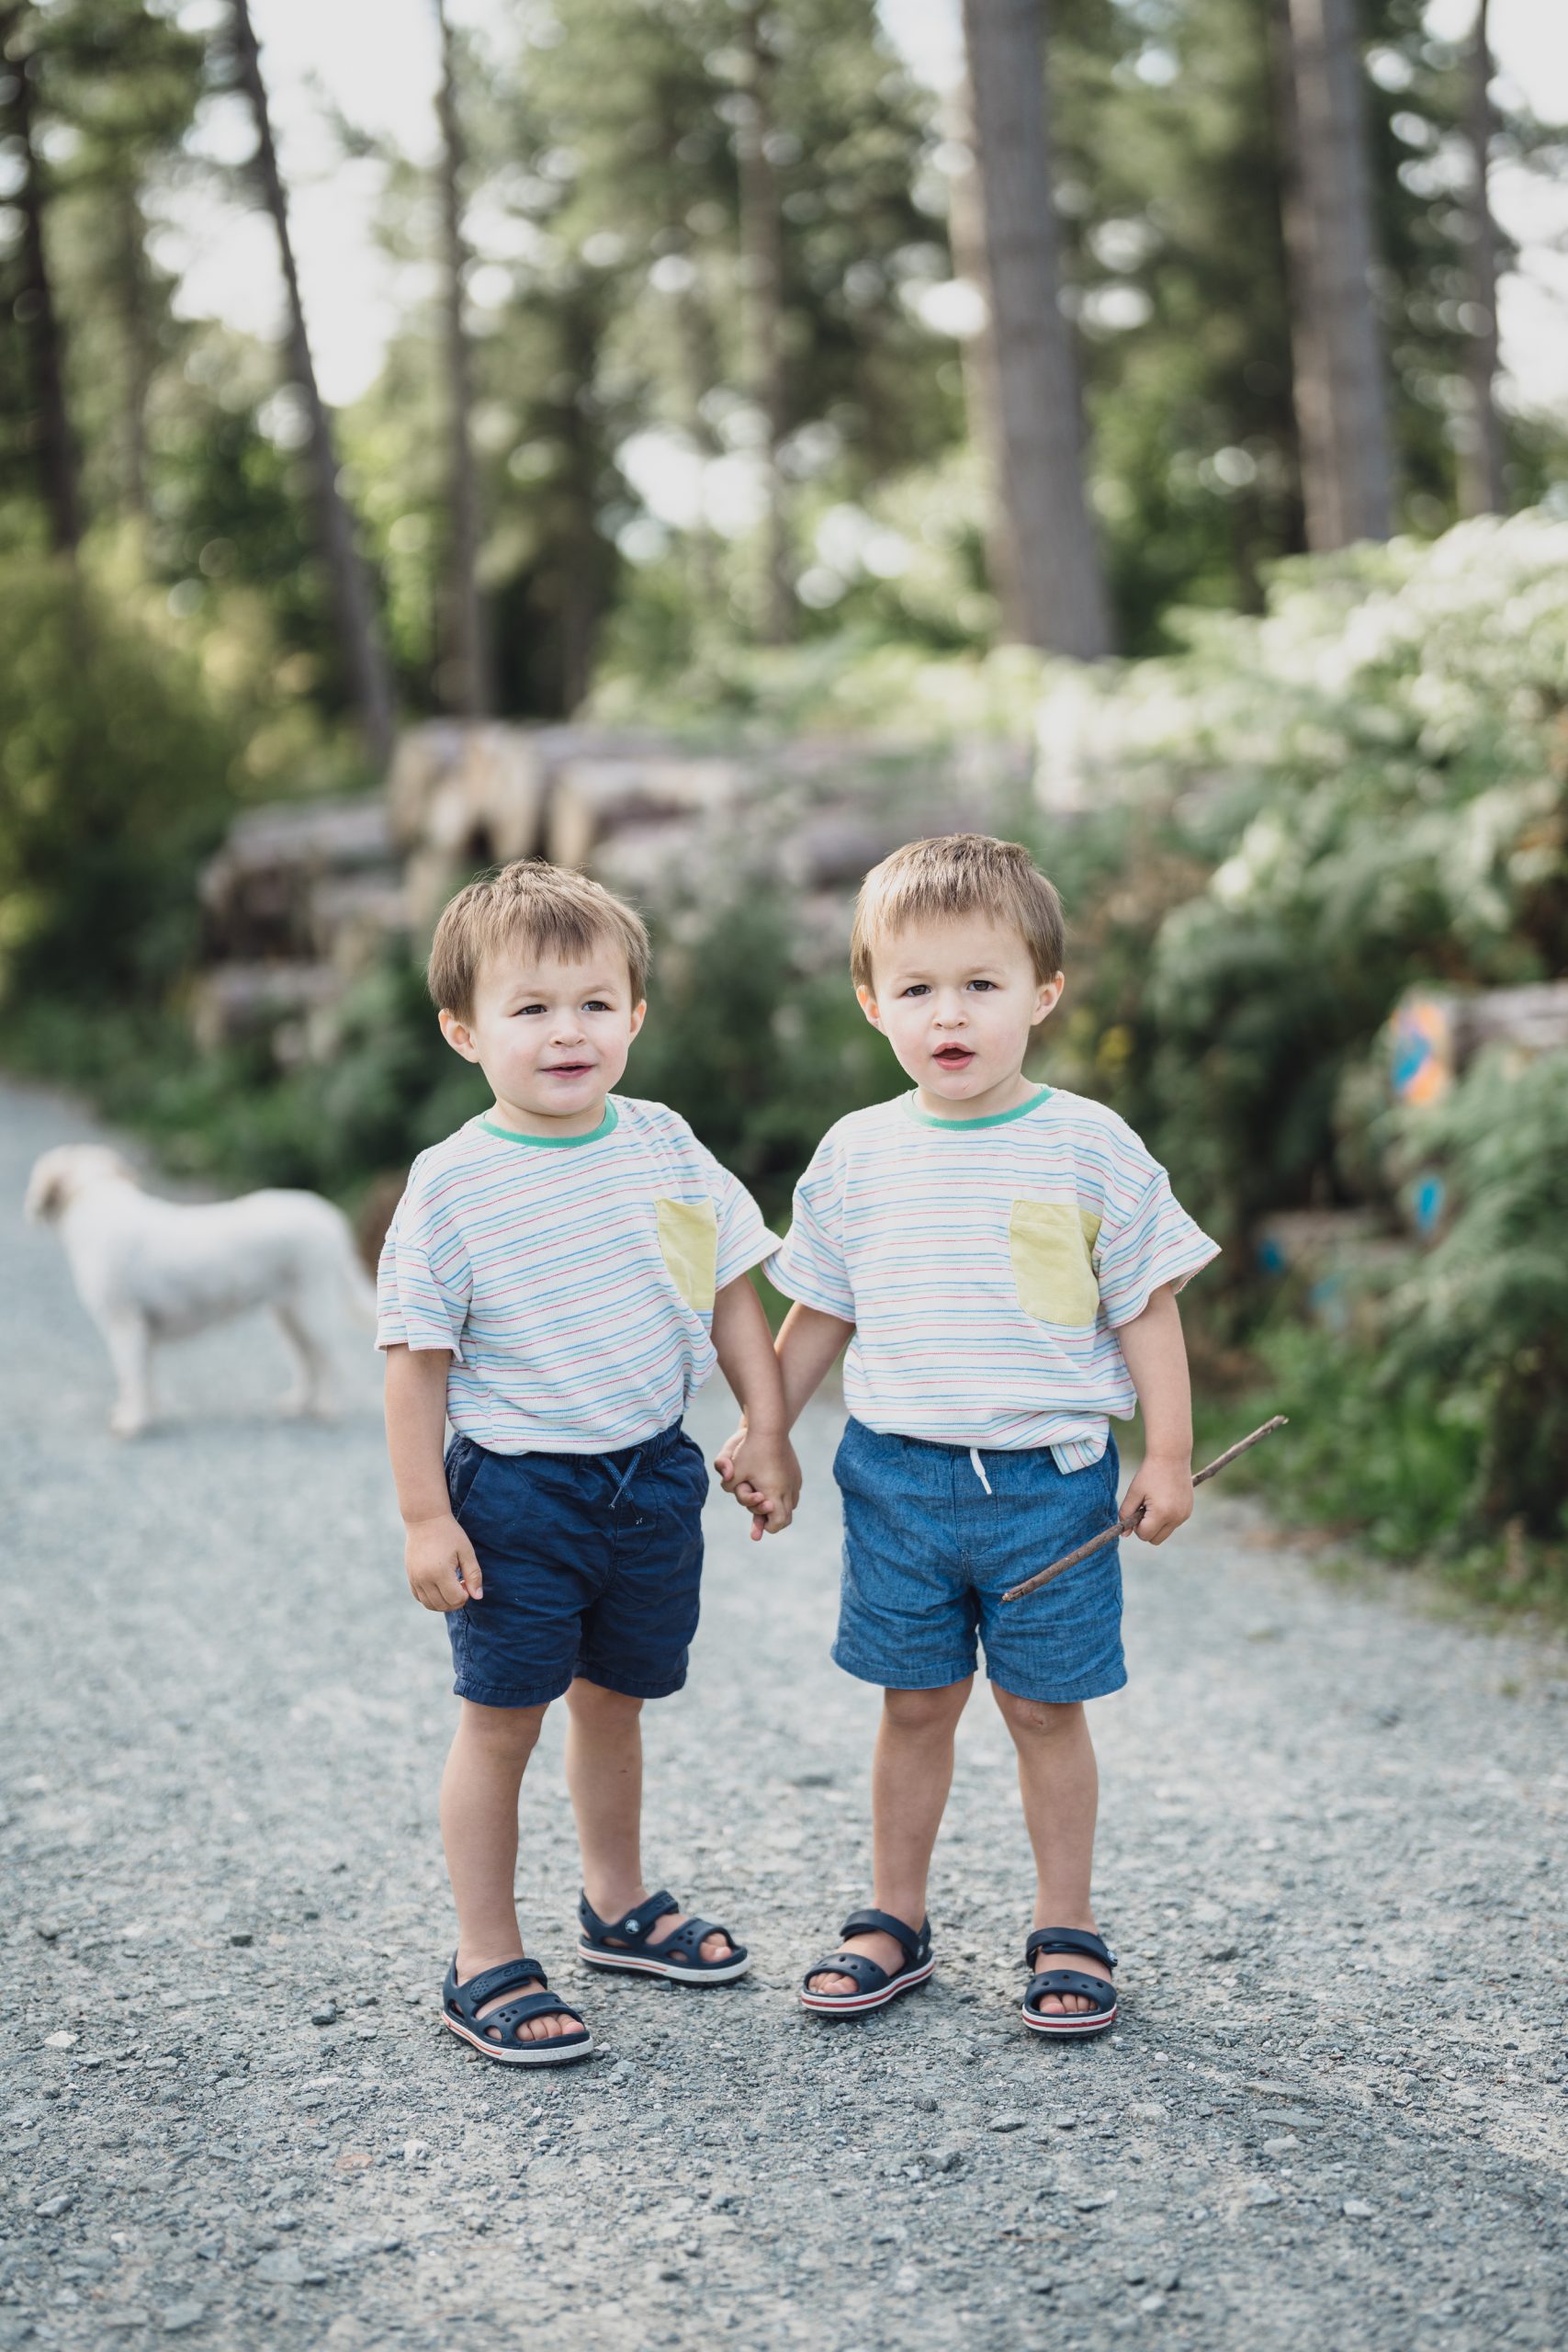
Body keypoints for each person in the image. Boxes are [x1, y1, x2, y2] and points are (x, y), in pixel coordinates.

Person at [720, 833, 1217, 2039]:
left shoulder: (1088, 1145)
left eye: (982, 986)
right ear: (872, 1001)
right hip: (896, 1483)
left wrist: (1162, 1453)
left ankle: (1067, 1924)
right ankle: (895, 1917)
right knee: (915, 1704)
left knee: (1047, 1709)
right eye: (919, 988)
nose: (951, 1014)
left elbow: (1145, 1305)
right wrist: (769, 1431)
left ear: (1042, 995)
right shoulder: (858, 1153)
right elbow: (820, 1309)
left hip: (1052, 1486)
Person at [378, 859, 798, 2066]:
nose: (568, 1031)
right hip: (518, 1495)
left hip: (651, 1480)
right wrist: (424, 1517)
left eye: (594, 1004)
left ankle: (617, 1904)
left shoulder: (665, 1146)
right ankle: (485, 1956)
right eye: (530, 1008)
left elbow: (730, 1288)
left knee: (617, 1703)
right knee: (502, 1719)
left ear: (636, 1015)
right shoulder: (454, 1184)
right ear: (465, 1031)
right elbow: (414, 1365)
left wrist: (766, 1425)